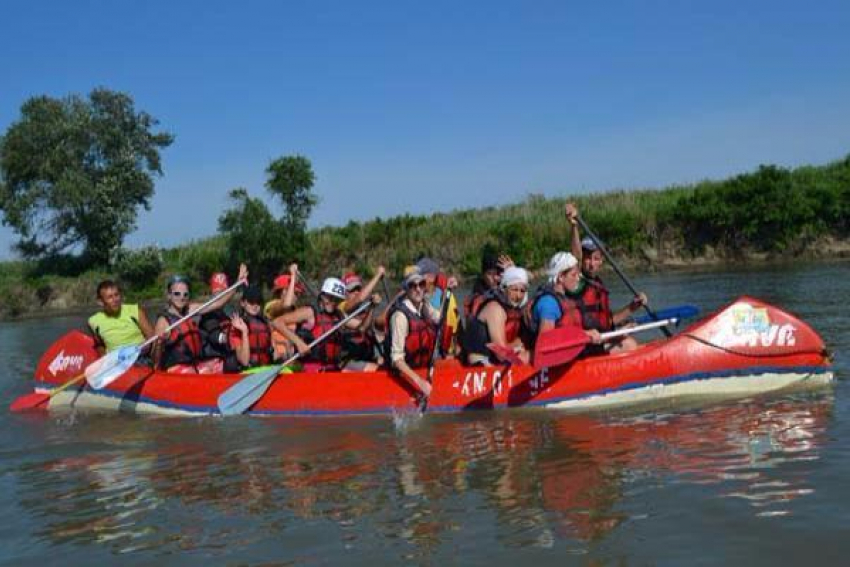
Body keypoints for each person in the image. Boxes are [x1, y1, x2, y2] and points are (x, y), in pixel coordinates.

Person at [566, 203, 649, 353]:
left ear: (602, 261)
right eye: (588, 259)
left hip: (600, 341)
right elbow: (575, 255)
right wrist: (574, 227)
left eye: (596, 259)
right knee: (629, 344)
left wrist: (633, 306)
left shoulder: (597, 284)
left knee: (628, 340)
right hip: (584, 347)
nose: (591, 264)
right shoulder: (577, 279)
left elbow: (609, 320)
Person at [154, 264, 247, 373]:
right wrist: (159, 343)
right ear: (169, 296)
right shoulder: (163, 321)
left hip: (194, 364)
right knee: (195, 372)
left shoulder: (190, 310)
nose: (181, 297)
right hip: (176, 368)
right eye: (177, 294)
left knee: (230, 363)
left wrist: (238, 283)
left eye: (185, 294)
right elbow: (155, 358)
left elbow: (218, 303)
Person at [273, 277, 378, 372]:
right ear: (322, 296)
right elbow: (277, 322)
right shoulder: (309, 312)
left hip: (333, 368)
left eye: (336, 300)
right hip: (311, 368)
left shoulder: (339, 315)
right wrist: (298, 342)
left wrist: (371, 308)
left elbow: (362, 327)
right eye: (330, 298)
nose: (332, 302)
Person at [525, 252, 601, 354]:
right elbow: (545, 344)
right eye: (574, 275)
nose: (578, 279)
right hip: (552, 360)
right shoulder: (549, 304)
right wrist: (583, 334)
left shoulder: (564, 297)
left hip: (570, 352)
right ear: (561, 277)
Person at [385, 268, 442, 397]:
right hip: (404, 373)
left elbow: (439, 319)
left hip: (422, 367)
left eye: (421, 284)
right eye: (412, 285)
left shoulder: (423, 306)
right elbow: (397, 359)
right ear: (406, 289)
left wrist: (448, 290)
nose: (418, 289)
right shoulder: (400, 316)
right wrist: (419, 382)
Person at [462, 266, 531, 365]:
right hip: (479, 363)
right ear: (504, 289)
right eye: (514, 290)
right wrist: (519, 345)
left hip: (495, 360)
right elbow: (502, 354)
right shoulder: (495, 309)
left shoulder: (515, 309)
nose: (518, 295)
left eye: (522, 291)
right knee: (531, 356)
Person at [88, 280, 155, 354]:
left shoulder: (134, 310)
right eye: (110, 297)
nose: (115, 300)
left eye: (116, 295)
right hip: (115, 361)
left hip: (139, 356)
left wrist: (145, 349)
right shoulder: (93, 321)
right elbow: (99, 345)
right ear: (100, 302)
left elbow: (152, 337)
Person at [415, 257, 460, 356]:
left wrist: (448, 291)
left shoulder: (444, 295)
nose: (416, 281)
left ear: (432, 277)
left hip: (444, 350)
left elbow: (442, 320)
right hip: (425, 349)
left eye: (420, 276)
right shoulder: (416, 296)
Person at [198, 272, 239, 371]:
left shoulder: (231, 311)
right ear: (213, 293)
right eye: (218, 292)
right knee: (231, 362)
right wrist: (233, 339)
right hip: (212, 359)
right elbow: (215, 337)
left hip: (227, 356)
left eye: (224, 292)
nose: (221, 295)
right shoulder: (208, 313)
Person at [229, 284, 274, 370]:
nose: (255, 305)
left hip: (266, 370)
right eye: (251, 302)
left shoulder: (265, 323)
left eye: (258, 302)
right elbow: (244, 361)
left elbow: (274, 354)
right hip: (247, 372)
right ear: (242, 303)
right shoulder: (236, 327)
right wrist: (244, 332)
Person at [463, 247, 514, 318]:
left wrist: (513, 273)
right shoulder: (478, 297)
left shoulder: (506, 289)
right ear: (483, 275)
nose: (495, 278)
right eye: (490, 274)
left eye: (498, 274)